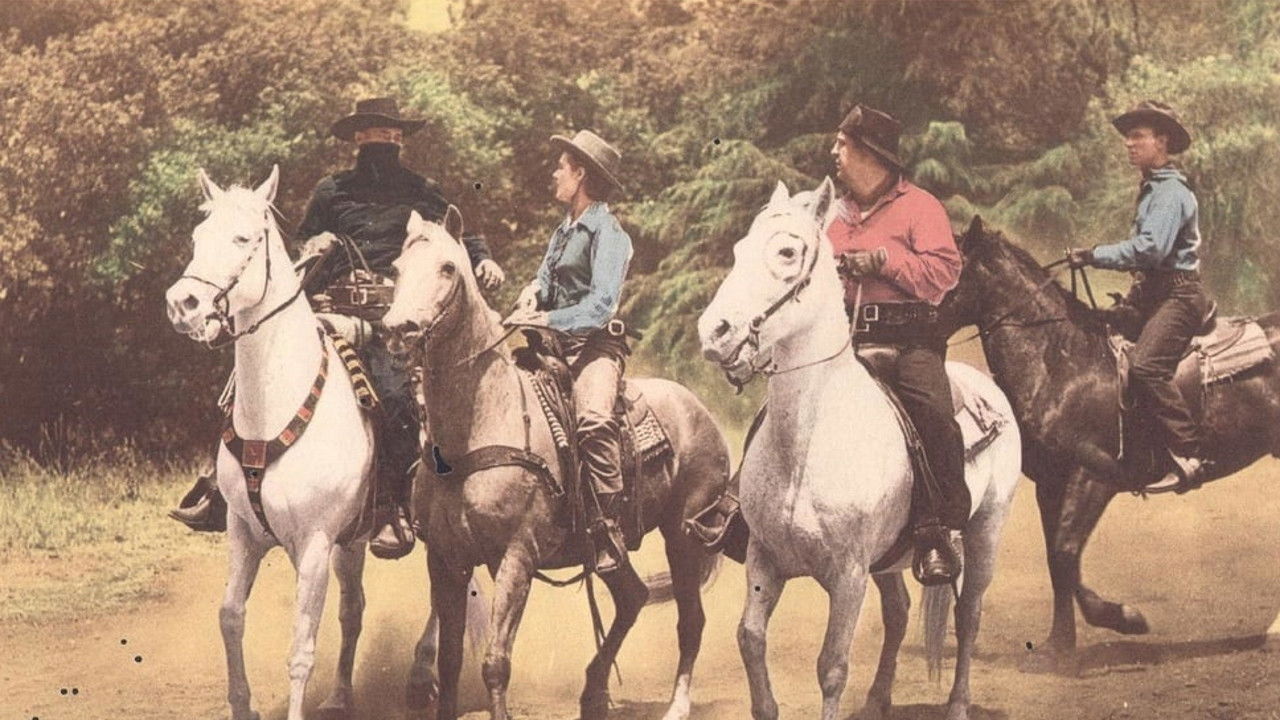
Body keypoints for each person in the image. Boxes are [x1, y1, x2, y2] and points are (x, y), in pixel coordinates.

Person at [170, 97, 506, 560]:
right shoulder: (332, 191)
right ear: (356, 139)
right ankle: (218, 488)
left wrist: (483, 257)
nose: (378, 142)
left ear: (399, 139)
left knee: (394, 397)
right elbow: (298, 245)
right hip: (328, 312)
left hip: (391, 320)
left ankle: (389, 508)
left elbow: (459, 234)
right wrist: (316, 241)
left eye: (386, 134)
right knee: (244, 381)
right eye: (369, 134)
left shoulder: (420, 189)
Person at [827, 104, 968, 586]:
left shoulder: (921, 208)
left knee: (934, 417)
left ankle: (937, 531)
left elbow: (943, 276)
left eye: (842, 145)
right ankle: (747, 508)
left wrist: (884, 261)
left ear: (869, 152)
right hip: (846, 342)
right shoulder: (835, 215)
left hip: (910, 341)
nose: (834, 152)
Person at [504, 130, 633, 574]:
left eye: (562, 166)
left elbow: (600, 305)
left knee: (595, 420)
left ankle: (607, 529)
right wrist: (530, 295)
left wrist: (546, 320)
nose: (555, 173)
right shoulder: (563, 231)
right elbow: (543, 279)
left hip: (595, 348)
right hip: (553, 348)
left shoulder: (610, 233)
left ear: (580, 174)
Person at [1067, 100, 1208, 491]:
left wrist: (1094, 255)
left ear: (1161, 141)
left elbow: (1151, 250)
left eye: (1137, 136)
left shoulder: (1170, 193)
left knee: (1145, 367)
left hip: (1179, 298)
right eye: (1128, 137)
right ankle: (1139, 453)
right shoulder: (1151, 188)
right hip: (1154, 297)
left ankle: (1190, 452)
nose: (1129, 143)